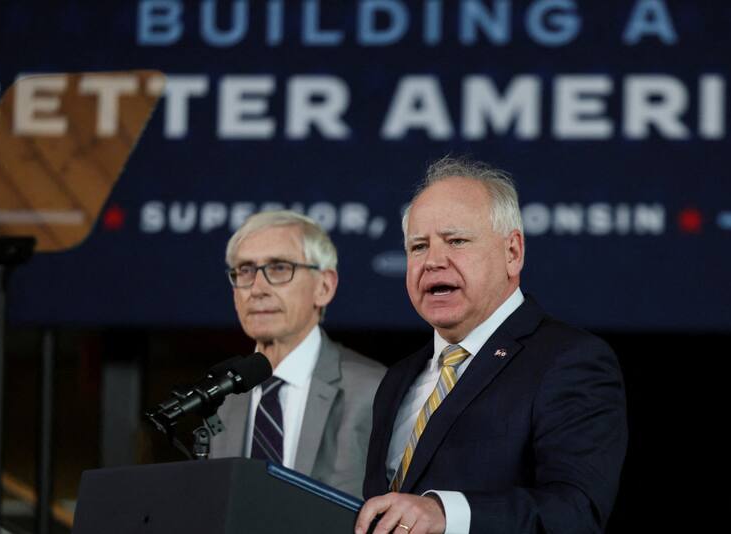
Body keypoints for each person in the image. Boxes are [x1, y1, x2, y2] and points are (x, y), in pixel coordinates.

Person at [355, 158, 628, 534]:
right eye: (418, 246)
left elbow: (575, 512)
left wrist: (446, 513)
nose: (433, 261)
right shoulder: (398, 378)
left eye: (456, 241)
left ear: (512, 252)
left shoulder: (569, 361)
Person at [211, 210, 385, 498]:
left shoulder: (373, 391)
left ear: (324, 286)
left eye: (279, 268)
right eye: (245, 270)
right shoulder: (223, 398)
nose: (256, 289)